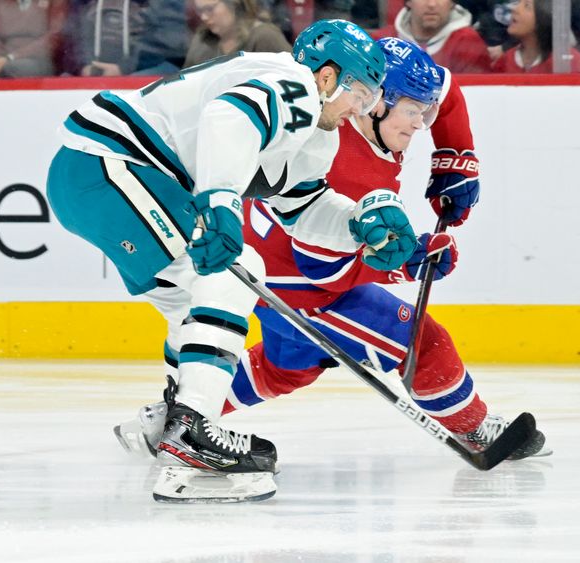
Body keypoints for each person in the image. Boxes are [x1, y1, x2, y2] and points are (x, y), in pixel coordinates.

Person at [116, 37, 546, 460]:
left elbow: (445, 87)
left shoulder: (361, 101)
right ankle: (475, 429)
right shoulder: (344, 165)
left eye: (425, 112)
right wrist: (408, 262)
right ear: (376, 103)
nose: (420, 124)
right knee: (422, 342)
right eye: (414, 111)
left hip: (272, 258)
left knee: (290, 365)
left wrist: (455, 152)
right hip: (300, 281)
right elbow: (323, 270)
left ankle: (171, 420)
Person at [47, 19, 411, 500]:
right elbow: (230, 117)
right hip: (111, 163)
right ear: (327, 77)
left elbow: (302, 210)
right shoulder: (295, 83)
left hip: (92, 175)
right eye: (359, 94)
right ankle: (192, 434)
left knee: (190, 304)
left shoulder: (315, 135)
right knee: (239, 276)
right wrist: (220, 202)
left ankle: (177, 425)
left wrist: (360, 228)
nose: (358, 110)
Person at [370, 0, 492, 74]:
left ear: (452, 3)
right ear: (408, 1)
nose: (432, 4)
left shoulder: (469, 42)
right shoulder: (381, 40)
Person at [491, 0, 580, 73]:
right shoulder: (505, 61)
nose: (514, 9)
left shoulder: (569, 63)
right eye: (518, 3)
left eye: (527, 6)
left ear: (543, 19)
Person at [183, 0, 291, 69]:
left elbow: (298, 75)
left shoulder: (265, 36)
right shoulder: (202, 39)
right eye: (199, 11)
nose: (204, 17)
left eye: (209, 9)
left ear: (234, 4)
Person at [0, 0, 67, 78]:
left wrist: (10, 58)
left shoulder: (54, 2)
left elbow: (54, 37)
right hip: (3, 60)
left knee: (9, 68)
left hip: (37, 59)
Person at [61, 0, 146, 77]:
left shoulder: (150, 4)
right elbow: (72, 37)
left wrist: (124, 69)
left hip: (135, 78)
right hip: (87, 78)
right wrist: (82, 67)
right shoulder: (81, 3)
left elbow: (153, 43)